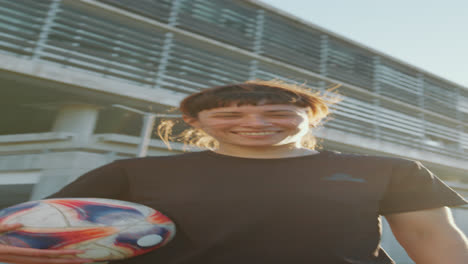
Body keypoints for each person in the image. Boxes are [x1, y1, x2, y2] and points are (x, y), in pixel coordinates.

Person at [1, 79, 467, 264]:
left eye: (278, 112)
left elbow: (434, 244)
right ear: (196, 123)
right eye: (230, 115)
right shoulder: (131, 172)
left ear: (312, 117)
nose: (255, 123)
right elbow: (37, 227)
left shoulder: (388, 168)